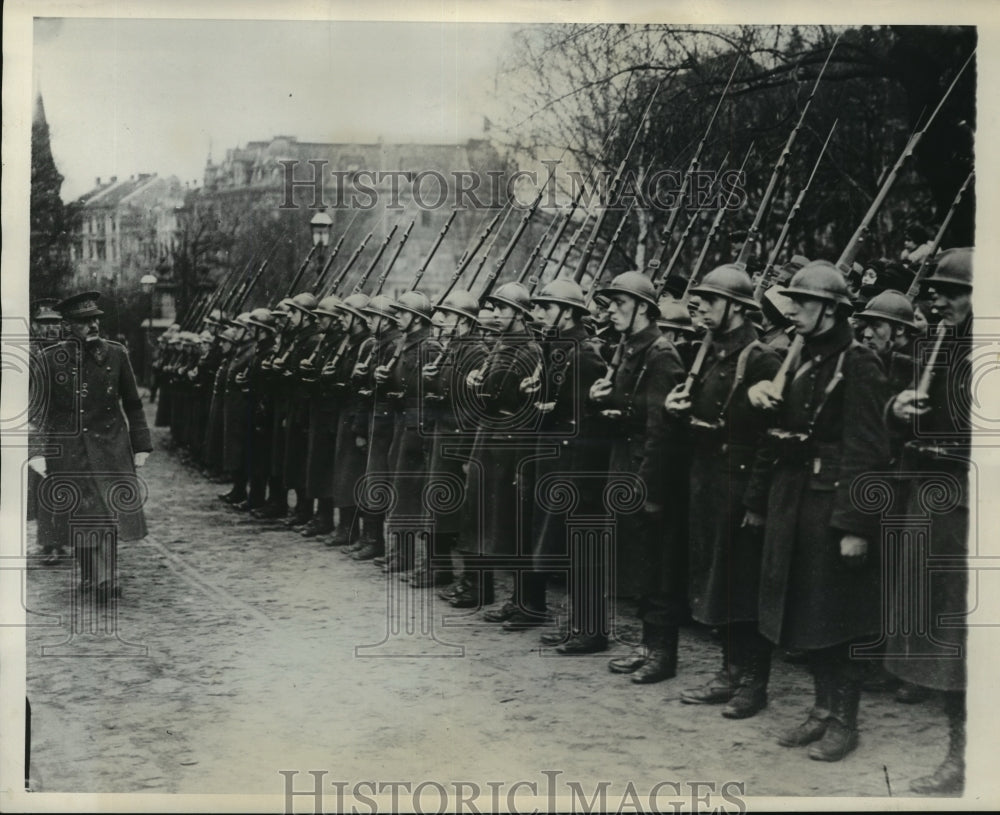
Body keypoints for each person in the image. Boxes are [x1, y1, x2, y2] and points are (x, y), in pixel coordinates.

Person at [748, 260, 890, 761]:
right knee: (804, 609)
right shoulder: (799, 354)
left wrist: (855, 524)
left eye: (803, 303)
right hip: (794, 497)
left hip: (831, 503)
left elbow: (867, 449)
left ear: (830, 309)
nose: (793, 311)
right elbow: (779, 427)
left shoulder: (859, 362)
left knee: (835, 614)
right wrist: (759, 396)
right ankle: (821, 710)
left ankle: (844, 721)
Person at [665, 265, 781, 718]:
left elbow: (770, 439)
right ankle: (730, 671)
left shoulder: (761, 359)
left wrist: (755, 501)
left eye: (710, 301)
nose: (700, 308)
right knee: (716, 579)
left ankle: (754, 682)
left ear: (735, 306)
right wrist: (678, 411)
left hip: (738, 482)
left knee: (743, 584)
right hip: (707, 479)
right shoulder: (707, 352)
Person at [885, 247, 972, 794]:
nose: (935, 299)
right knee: (952, 639)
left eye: (950, 291)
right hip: (943, 504)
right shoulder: (939, 346)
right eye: (935, 290)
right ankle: (960, 755)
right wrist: (901, 410)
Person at [589, 272, 686, 684]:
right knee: (640, 563)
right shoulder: (630, 350)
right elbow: (630, 410)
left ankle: (663, 653)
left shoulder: (661, 355)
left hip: (647, 472)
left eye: (619, 304)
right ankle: (647, 646)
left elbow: (663, 429)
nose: (610, 310)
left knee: (657, 566)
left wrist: (650, 489)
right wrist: (603, 400)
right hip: (626, 465)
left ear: (643, 308)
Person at [29, 291, 152, 603]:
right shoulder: (48, 359)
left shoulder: (117, 353)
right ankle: (91, 572)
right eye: (84, 321)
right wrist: (38, 451)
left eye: (96, 319)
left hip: (111, 443)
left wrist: (141, 445)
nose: (93, 325)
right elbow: (38, 412)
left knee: (108, 511)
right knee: (83, 512)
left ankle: (106, 576)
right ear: (69, 325)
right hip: (69, 447)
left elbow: (134, 405)